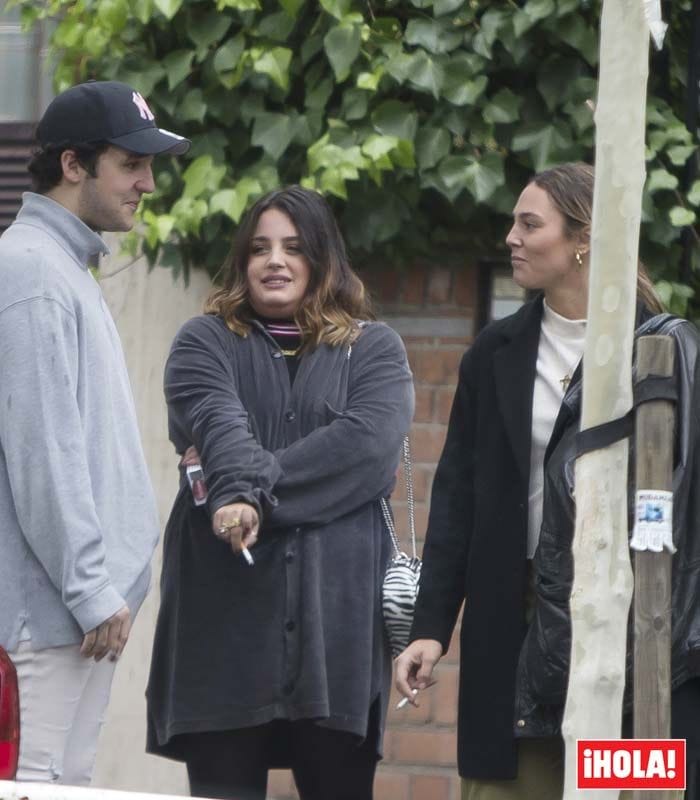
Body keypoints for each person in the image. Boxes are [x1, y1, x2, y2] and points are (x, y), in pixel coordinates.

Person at [394, 162, 693, 800]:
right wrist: (429, 627)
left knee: (623, 787)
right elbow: (457, 502)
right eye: (513, 223)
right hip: (514, 619)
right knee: (508, 786)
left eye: (530, 224)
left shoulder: (660, 351)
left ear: (582, 239)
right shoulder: (494, 353)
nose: (512, 237)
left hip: (632, 626)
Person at [145, 185, 415, 800]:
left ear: (323, 260)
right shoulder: (203, 342)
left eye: (295, 247)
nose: (275, 260)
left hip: (336, 636)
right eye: (260, 247)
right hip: (224, 628)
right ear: (242, 261)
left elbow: (365, 449)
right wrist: (233, 472)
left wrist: (239, 490)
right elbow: (216, 420)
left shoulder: (374, 350)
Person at [0, 80, 190, 785]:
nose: (145, 183)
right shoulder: (30, 272)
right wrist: (90, 590)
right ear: (74, 165)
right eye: (130, 164)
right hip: (50, 623)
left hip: (77, 620)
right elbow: (43, 453)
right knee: (32, 786)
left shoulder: (63, 269)